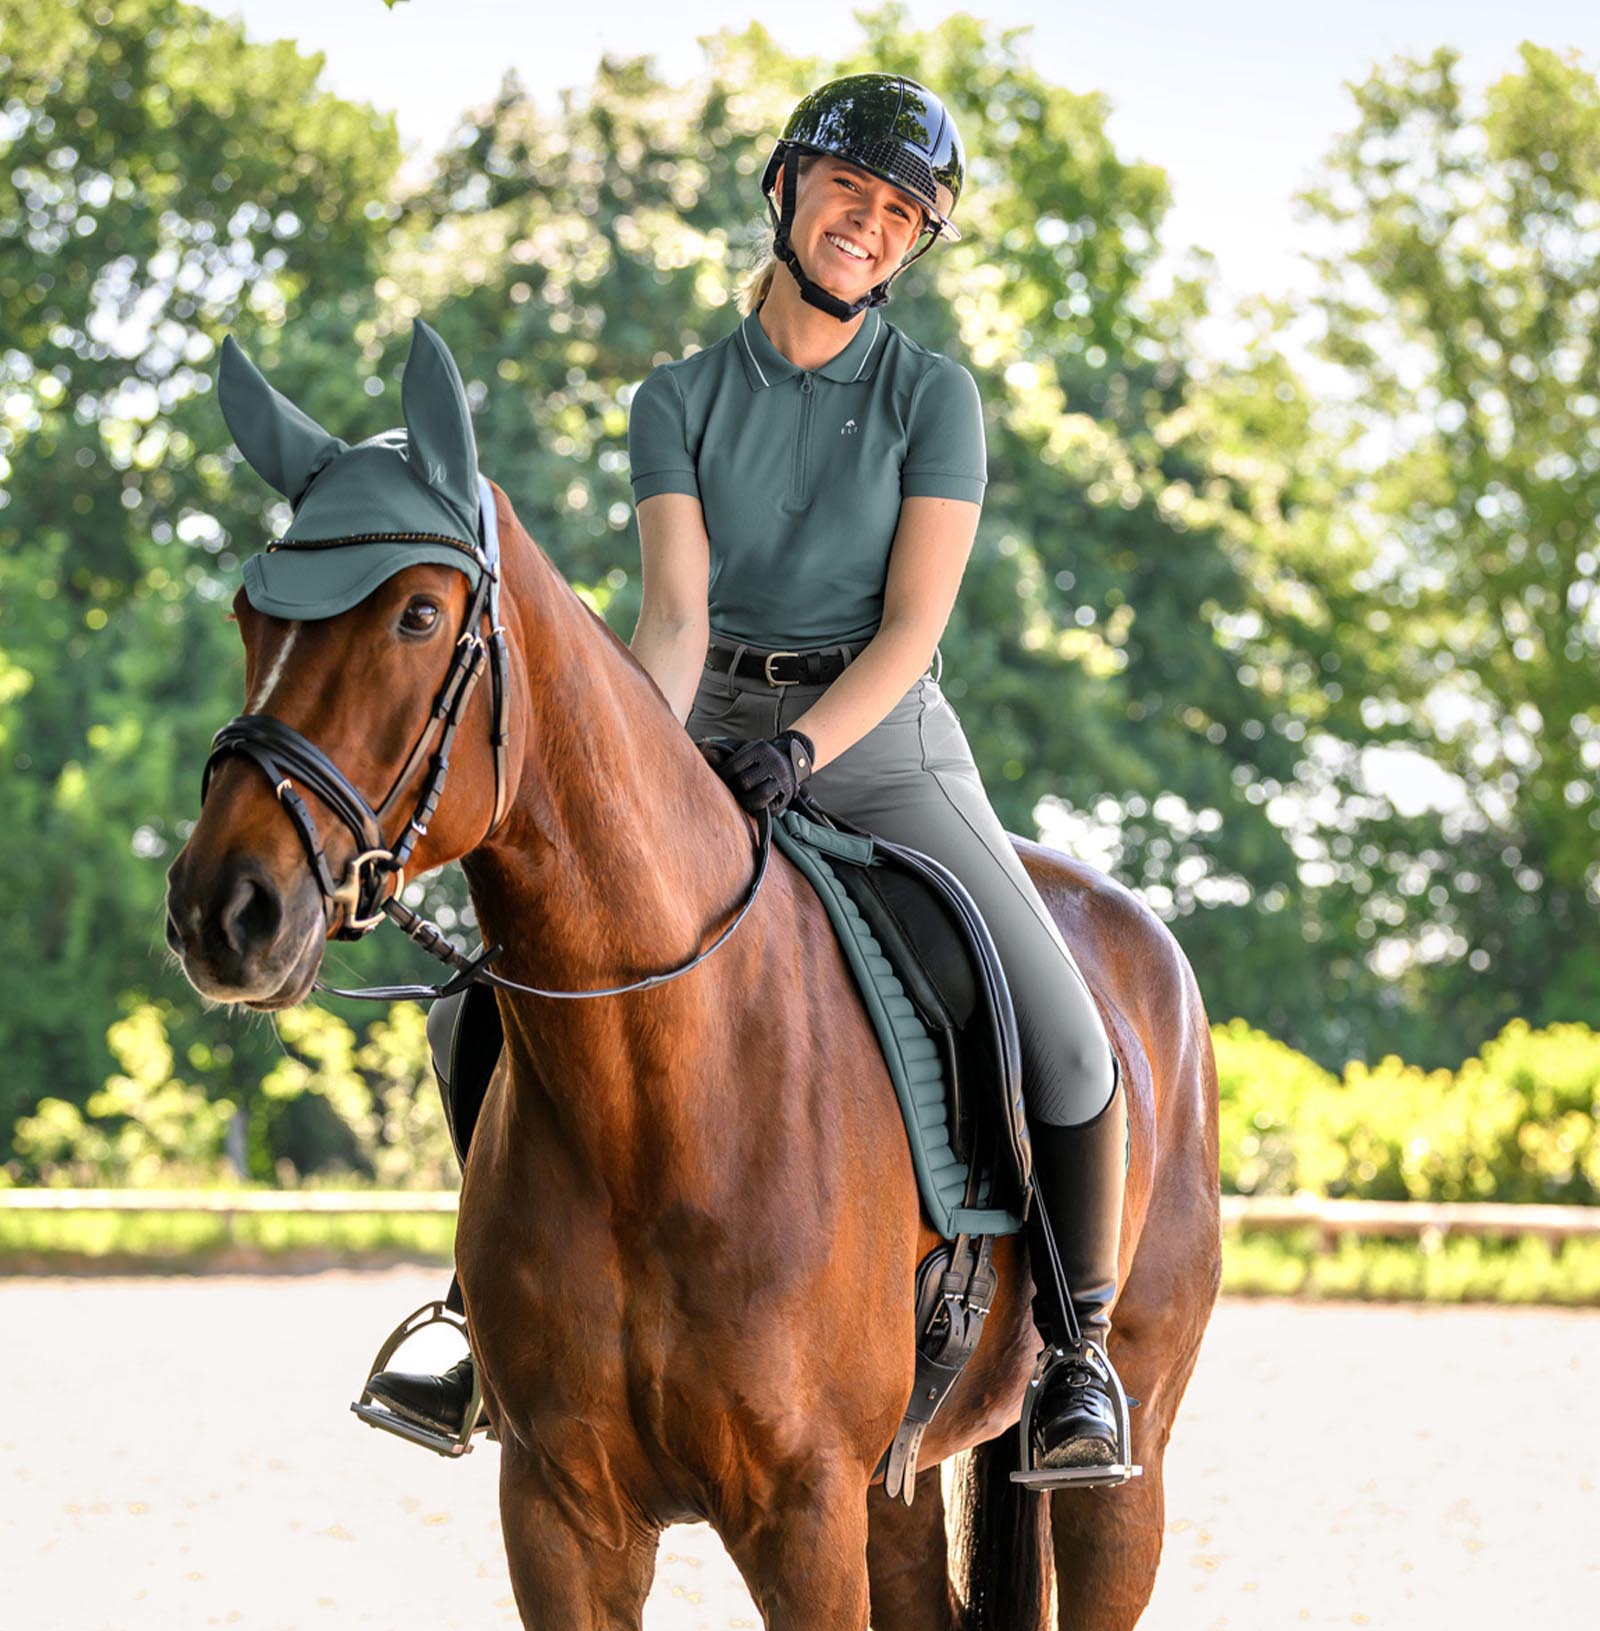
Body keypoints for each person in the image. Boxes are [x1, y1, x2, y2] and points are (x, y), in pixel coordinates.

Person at [363, 71, 1133, 1485]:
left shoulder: (933, 398)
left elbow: (914, 629)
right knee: (486, 993)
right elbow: (669, 616)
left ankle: (1078, 1359)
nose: (870, 224)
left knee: (1069, 1041)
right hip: (705, 722)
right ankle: (483, 1316)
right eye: (851, 191)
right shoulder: (680, 397)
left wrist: (803, 749)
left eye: (902, 213)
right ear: (788, 189)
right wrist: (645, 774)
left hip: (883, 740)